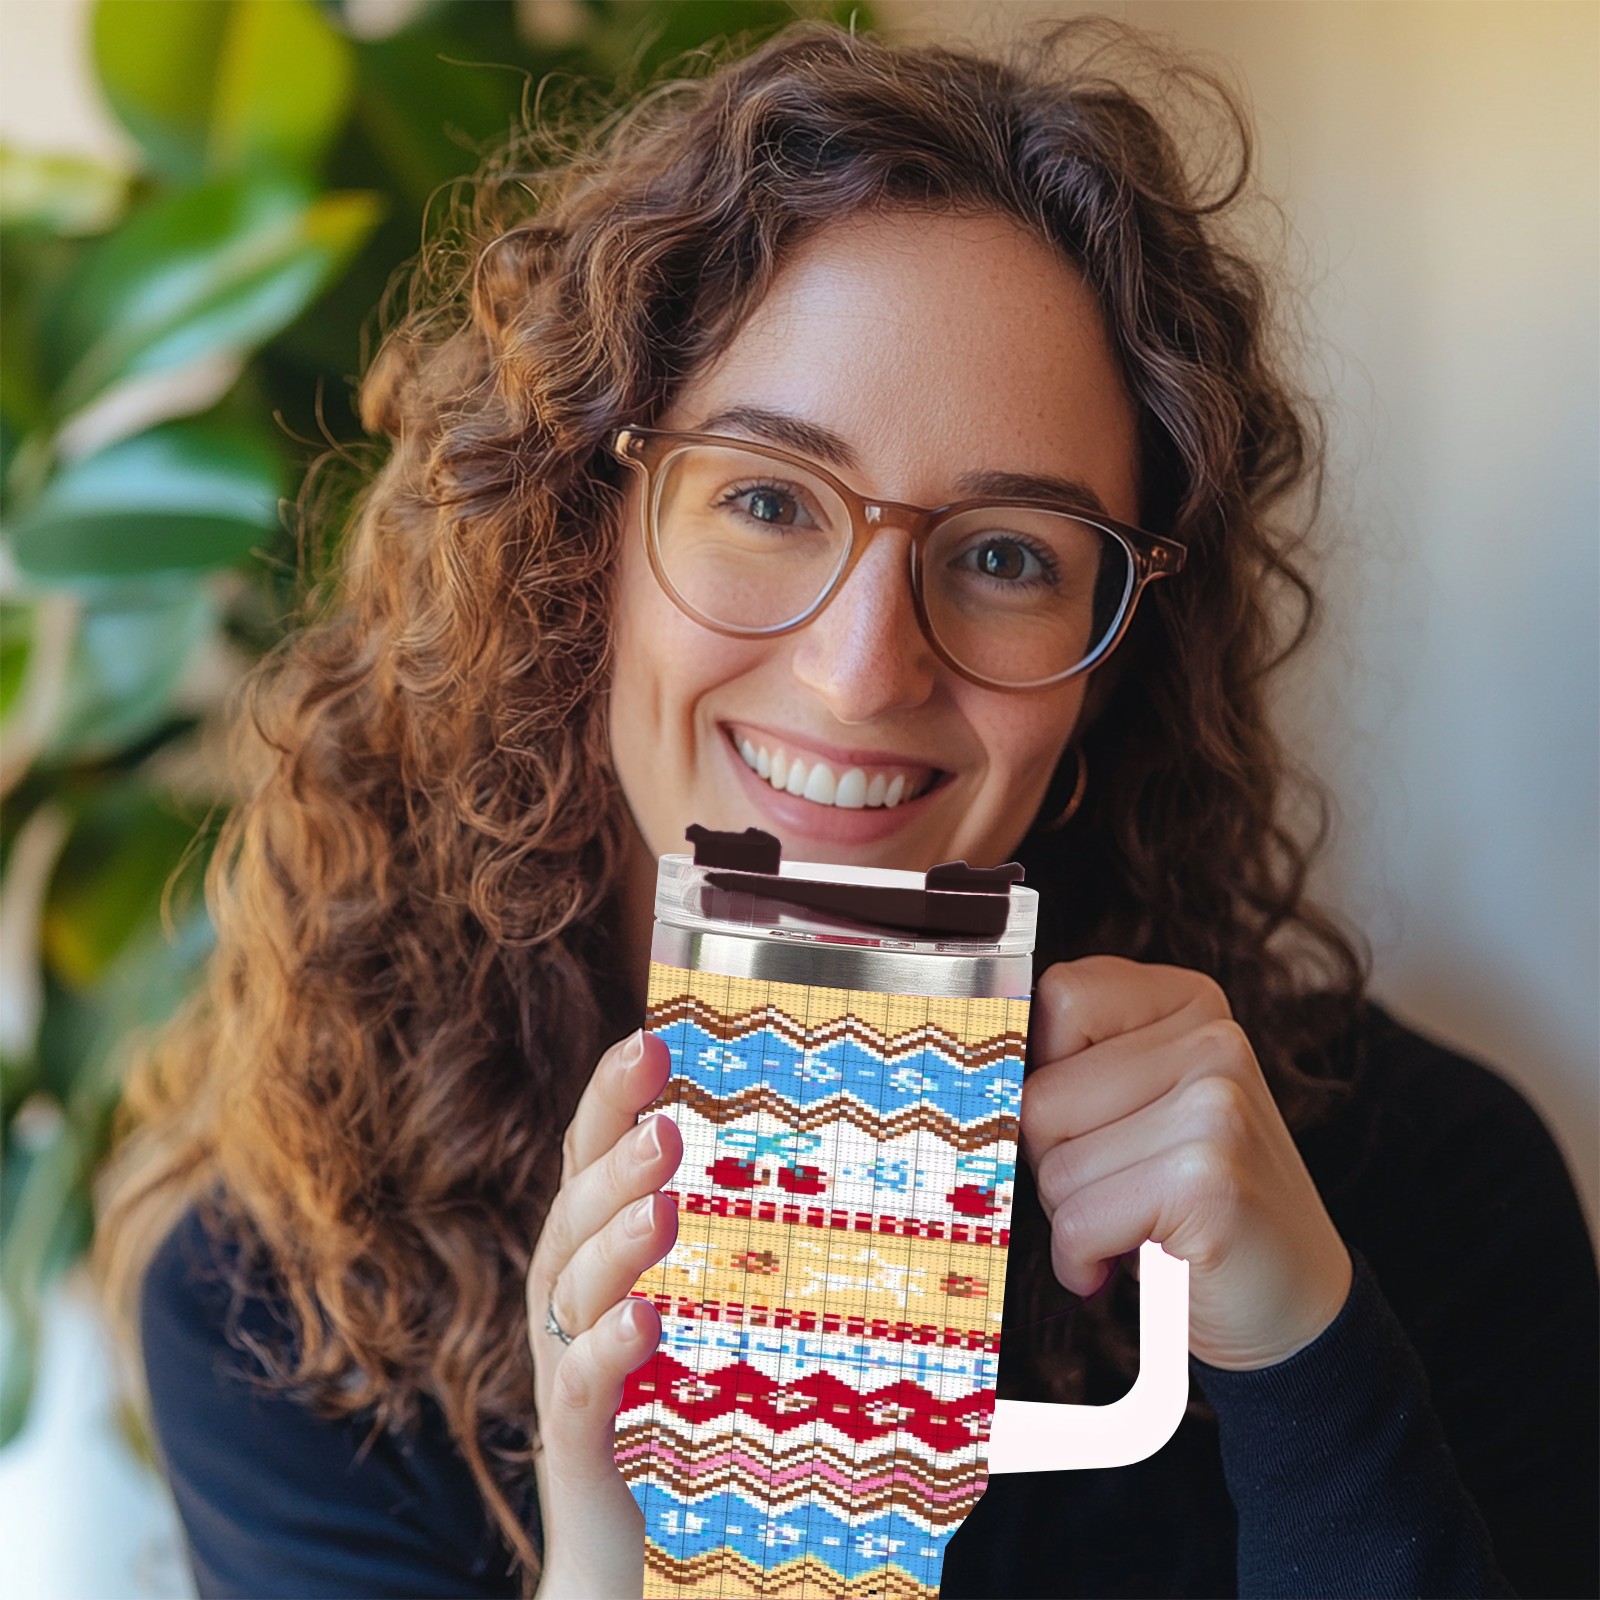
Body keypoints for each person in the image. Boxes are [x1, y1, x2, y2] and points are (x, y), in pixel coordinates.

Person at [97, 18, 1597, 1600]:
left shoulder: (1422, 1193)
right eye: (765, 499)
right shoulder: (291, 1303)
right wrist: (615, 1562)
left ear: (1112, 662)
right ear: (580, 549)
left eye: (1007, 554)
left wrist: (1306, 1368)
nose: (864, 671)